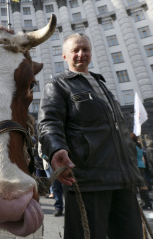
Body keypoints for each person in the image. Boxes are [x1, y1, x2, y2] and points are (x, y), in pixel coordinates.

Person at [38, 33, 144, 239]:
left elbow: (118, 129)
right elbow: (48, 123)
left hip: (123, 180)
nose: (81, 54)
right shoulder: (58, 85)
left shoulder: (102, 85)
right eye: (75, 50)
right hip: (87, 181)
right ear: (64, 56)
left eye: (85, 49)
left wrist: (133, 171)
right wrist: (56, 148)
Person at [38, 142, 64, 216]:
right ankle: (58, 208)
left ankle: (71, 208)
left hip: (66, 160)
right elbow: (40, 152)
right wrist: (45, 156)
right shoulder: (43, 139)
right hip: (52, 162)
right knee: (56, 186)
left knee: (69, 186)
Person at [131, 133, 152, 209]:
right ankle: (146, 201)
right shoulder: (139, 146)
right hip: (141, 165)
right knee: (142, 184)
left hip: (136, 166)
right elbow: (143, 158)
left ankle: (146, 202)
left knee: (140, 184)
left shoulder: (133, 147)